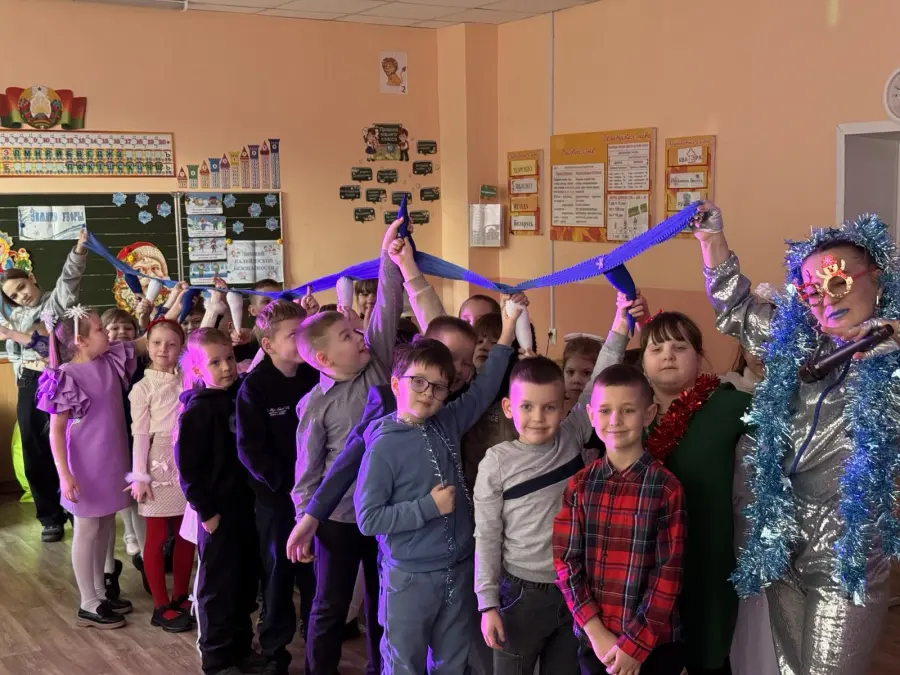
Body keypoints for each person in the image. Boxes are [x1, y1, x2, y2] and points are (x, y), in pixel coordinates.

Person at [692, 203, 900, 675]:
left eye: (837, 283)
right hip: (780, 536)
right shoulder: (794, 341)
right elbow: (737, 309)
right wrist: (711, 240)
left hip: (846, 549)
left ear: (876, 277)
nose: (824, 301)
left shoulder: (892, 356)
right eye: (810, 291)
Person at [354, 303, 519, 675]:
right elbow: (368, 519)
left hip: (457, 571)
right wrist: (428, 506)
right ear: (396, 384)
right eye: (418, 382)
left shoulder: (446, 421)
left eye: (438, 387)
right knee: (404, 663)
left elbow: (483, 389)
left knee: (452, 662)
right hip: (408, 579)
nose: (427, 393)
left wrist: (507, 331)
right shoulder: (384, 446)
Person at [598, 295, 750, 674]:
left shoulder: (729, 406)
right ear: (642, 363)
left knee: (708, 659)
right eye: (656, 348)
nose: (668, 355)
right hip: (640, 573)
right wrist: (619, 323)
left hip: (706, 564)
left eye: (680, 347)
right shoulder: (628, 418)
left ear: (699, 357)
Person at [288, 219, 407, 675]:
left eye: (357, 331)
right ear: (323, 359)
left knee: (382, 599)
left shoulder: (376, 363)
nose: (360, 337)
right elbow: (307, 472)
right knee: (329, 604)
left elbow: (388, 305)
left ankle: (381, 668)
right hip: (338, 519)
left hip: (385, 511)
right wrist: (306, 519)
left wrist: (388, 254)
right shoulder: (315, 405)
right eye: (347, 336)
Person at [473, 337, 623, 675]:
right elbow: (487, 535)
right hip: (520, 596)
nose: (538, 417)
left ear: (564, 404)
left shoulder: (571, 436)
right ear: (509, 408)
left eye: (549, 407)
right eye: (527, 406)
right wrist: (487, 604)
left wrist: (619, 327)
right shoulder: (496, 462)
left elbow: (597, 383)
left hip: (574, 591)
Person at [554, 364, 686, 675]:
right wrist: (595, 631)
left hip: (653, 646)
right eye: (605, 410)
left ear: (648, 414)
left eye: (628, 410)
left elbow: (667, 574)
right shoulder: (580, 485)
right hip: (596, 644)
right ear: (590, 414)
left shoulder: (666, 488)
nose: (615, 420)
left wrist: (635, 646)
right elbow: (566, 562)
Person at [37, 305, 146, 628]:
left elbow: (143, 343)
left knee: (105, 526)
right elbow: (57, 432)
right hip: (84, 465)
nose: (107, 333)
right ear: (81, 341)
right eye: (100, 329)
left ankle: (100, 592)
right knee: (87, 530)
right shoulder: (65, 376)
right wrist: (65, 474)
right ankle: (88, 601)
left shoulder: (109, 361)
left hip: (110, 460)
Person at [236, 301, 319, 675]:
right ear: (268, 345)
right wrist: (288, 489)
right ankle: (274, 651)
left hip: (316, 499)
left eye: (305, 333)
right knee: (277, 575)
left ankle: (318, 643)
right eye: (293, 335)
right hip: (277, 501)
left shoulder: (314, 376)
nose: (302, 340)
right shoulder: (254, 387)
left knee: (315, 574)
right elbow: (251, 451)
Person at [175, 328, 263, 675]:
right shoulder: (197, 411)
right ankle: (217, 659)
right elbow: (189, 469)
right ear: (198, 370)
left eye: (229, 358)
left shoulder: (240, 396)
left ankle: (240, 648)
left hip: (245, 508)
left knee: (244, 583)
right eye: (216, 362)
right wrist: (207, 512)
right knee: (218, 588)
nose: (227, 367)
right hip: (217, 514)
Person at [0, 228, 88, 543]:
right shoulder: (17, 319)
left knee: (69, 444)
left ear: (32, 279)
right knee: (34, 447)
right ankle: (50, 517)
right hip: (30, 382)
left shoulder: (56, 302)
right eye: (14, 295)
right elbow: (15, 356)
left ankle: (76, 508)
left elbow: (69, 279)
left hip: (63, 378)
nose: (21, 296)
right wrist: (23, 382)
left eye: (22, 287)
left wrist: (79, 251)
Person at [126, 318, 195, 633]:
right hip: (158, 463)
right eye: (156, 343)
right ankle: (160, 604)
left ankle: (181, 595)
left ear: (181, 347)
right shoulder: (142, 388)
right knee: (155, 538)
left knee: (185, 534)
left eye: (171, 344)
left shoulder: (189, 379)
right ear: (147, 344)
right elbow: (140, 435)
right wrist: (139, 476)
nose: (163, 349)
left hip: (186, 459)